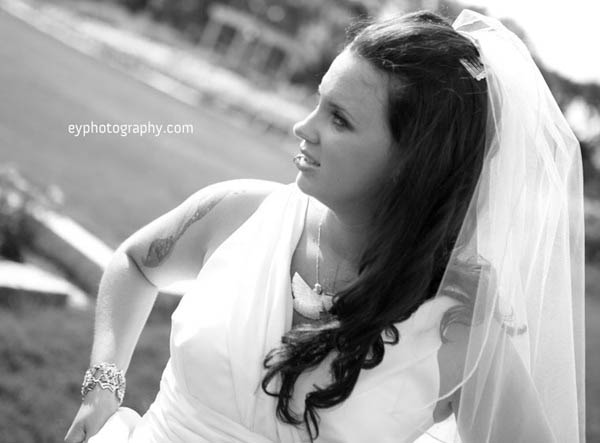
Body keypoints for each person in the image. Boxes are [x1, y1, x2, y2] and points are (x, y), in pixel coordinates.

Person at [65, 9, 585, 443]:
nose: (302, 127)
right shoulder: (238, 212)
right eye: (318, 101)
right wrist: (102, 386)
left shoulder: (460, 333)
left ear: (414, 164)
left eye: (339, 119)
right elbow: (135, 264)